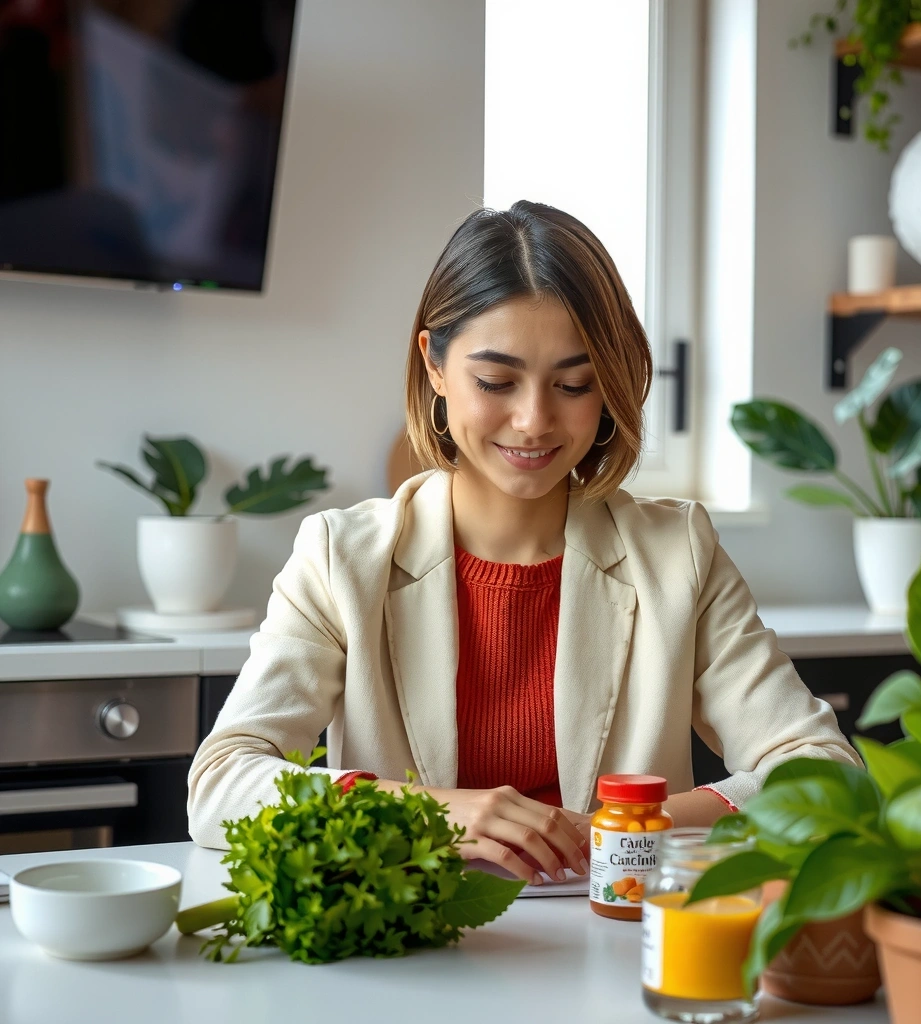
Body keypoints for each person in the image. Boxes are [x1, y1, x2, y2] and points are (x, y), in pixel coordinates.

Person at [187, 200, 859, 885]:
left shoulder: (676, 551)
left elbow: (825, 772)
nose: (534, 420)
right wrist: (431, 813)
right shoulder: (340, 557)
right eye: (496, 381)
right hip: (411, 949)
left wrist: (619, 831)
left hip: (617, 943)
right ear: (435, 367)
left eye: (574, 384)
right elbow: (221, 782)